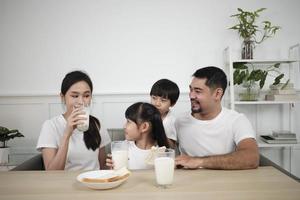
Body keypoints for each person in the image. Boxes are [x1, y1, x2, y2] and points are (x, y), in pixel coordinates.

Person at [175, 66, 259, 170]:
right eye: (191, 89)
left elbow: (251, 158)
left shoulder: (237, 120)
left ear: (217, 94)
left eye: (198, 91)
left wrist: (199, 161)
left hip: (224, 183)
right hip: (189, 182)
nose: (191, 96)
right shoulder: (179, 121)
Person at [36, 70, 111, 170]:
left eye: (86, 96)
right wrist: (67, 134)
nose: (81, 102)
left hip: (93, 183)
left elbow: (102, 167)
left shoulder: (97, 124)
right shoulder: (51, 126)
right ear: (63, 97)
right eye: (75, 96)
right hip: (65, 184)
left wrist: (113, 166)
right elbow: (51, 173)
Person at [106, 102, 170, 170]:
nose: (124, 126)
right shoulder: (123, 148)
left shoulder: (161, 152)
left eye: (128, 122)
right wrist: (112, 168)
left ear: (144, 127)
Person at [150, 79, 180, 148]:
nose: (157, 104)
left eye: (163, 100)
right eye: (154, 98)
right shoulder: (145, 113)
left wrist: (159, 131)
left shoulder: (171, 121)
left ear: (172, 103)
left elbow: (172, 146)